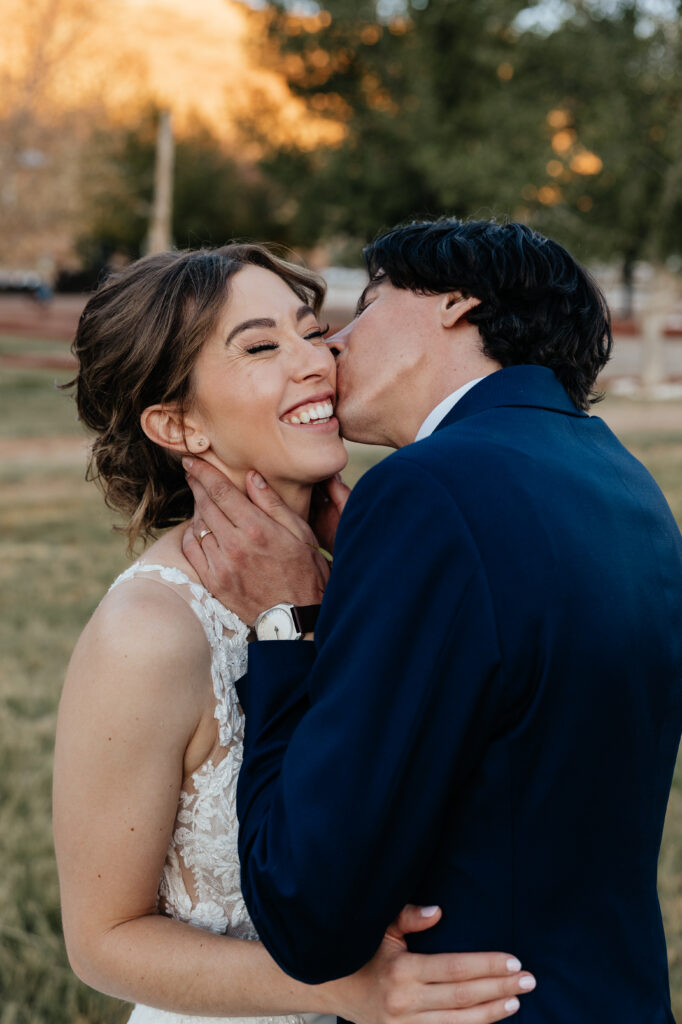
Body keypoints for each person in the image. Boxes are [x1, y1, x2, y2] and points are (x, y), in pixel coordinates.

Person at [181, 219, 682, 1024]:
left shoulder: (427, 491)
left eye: (366, 307)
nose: (333, 347)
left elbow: (308, 912)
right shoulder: (623, 481)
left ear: (456, 302)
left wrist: (287, 614)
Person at [53, 243, 536, 1024]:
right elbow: (103, 940)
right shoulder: (149, 630)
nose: (317, 361)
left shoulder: (368, 568)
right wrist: (342, 988)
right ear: (177, 423)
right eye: (262, 347)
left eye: (313, 332)